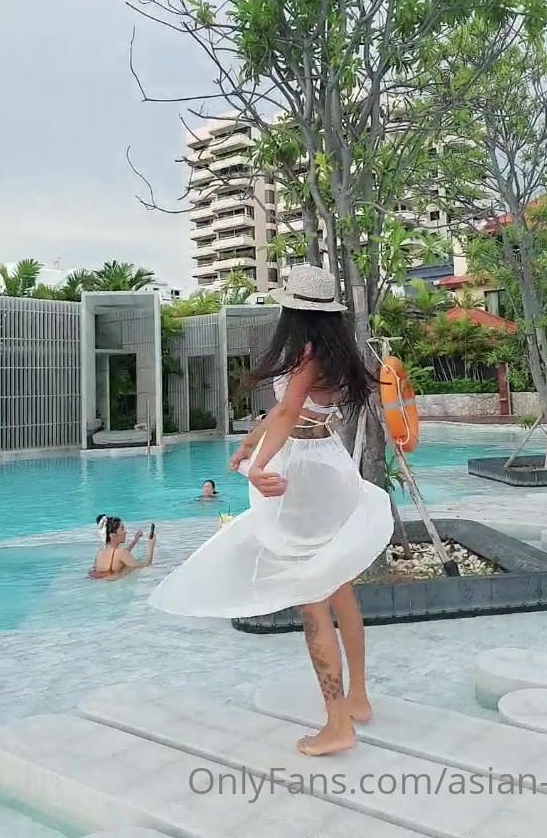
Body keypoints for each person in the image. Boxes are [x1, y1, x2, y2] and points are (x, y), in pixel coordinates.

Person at [149, 265, 394, 756]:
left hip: (304, 473)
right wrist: (250, 443)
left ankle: (337, 724)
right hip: (329, 463)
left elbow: (285, 412)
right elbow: (289, 413)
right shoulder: (334, 351)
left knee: (311, 598)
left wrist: (258, 465)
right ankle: (358, 699)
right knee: (338, 585)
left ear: (293, 311)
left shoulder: (306, 354)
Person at [89, 515, 156, 579]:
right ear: (113, 535)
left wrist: (135, 540)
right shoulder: (121, 553)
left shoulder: (100, 553)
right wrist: (151, 545)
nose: (125, 532)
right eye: (122, 529)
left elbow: (121, 555)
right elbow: (146, 563)